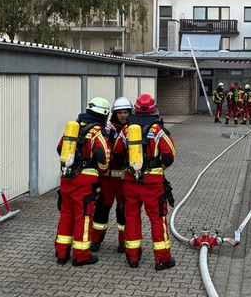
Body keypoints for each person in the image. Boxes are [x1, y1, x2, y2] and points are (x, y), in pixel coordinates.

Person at [112, 93, 177, 270]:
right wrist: (157, 168)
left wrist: (129, 166)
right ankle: (162, 259)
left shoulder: (127, 130)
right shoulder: (159, 130)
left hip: (130, 183)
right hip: (152, 184)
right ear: (154, 109)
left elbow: (117, 152)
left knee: (131, 218)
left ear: (136, 109)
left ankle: (132, 257)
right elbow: (169, 157)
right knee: (157, 219)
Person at [54, 97, 111, 267]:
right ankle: (81, 255)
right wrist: (103, 170)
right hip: (85, 183)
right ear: (104, 114)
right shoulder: (97, 132)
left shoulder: (74, 127)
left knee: (66, 215)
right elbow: (103, 155)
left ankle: (61, 254)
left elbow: (60, 148)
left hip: (67, 180)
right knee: (83, 217)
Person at [90, 96, 132, 253]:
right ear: (115, 114)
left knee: (123, 210)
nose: (123, 115)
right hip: (107, 178)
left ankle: (123, 241)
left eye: (126, 112)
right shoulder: (107, 130)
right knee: (102, 208)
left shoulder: (133, 130)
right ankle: (95, 241)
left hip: (123, 178)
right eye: (120, 112)